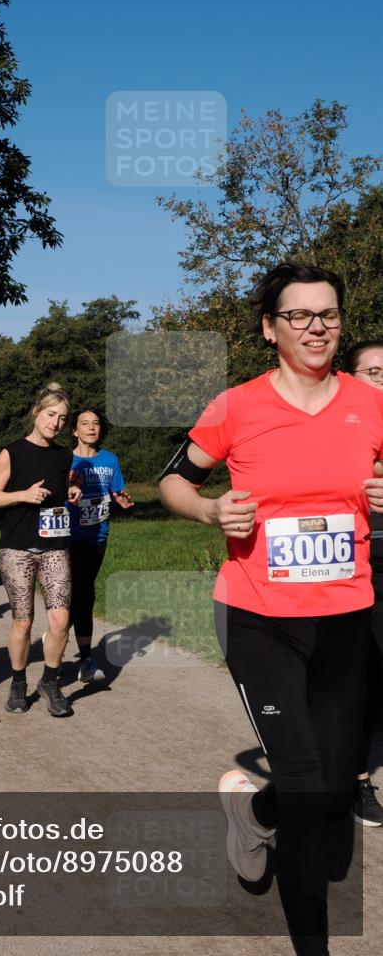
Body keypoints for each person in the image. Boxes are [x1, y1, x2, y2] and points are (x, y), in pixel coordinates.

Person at [158, 263, 383, 956]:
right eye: (301, 316)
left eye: (329, 315)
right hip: (259, 616)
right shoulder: (237, 406)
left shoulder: (372, 403)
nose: (318, 327)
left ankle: (250, 812)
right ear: (270, 328)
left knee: (337, 781)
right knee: (307, 783)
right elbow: (174, 478)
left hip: (348, 617)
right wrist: (208, 509)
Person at [0, 383, 82, 718]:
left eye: (63, 419)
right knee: (24, 623)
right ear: (37, 412)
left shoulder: (63, 454)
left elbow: (60, 485)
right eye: (51, 414)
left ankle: (50, 682)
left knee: (60, 619)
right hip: (17, 548)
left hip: (55, 547)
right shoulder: (11, 452)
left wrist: (70, 491)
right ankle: (17, 682)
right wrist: (22, 495)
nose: (55, 423)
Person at [343, 339, 383, 826]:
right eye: (374, 372)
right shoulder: (337, 424)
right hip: (352, 569)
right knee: (356, 678)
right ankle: (356, 780)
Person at [67, 408, 133, 682]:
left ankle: (61, 635)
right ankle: (86, 659)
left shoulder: (110, 460)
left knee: (83, 591)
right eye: (85, 423)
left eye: (95, 424)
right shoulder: (65, 460)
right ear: (75, 430)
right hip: (69, 536)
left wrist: (121, 499)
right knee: (83, 592)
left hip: (99, 536)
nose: (91, 428)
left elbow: (115, 490)